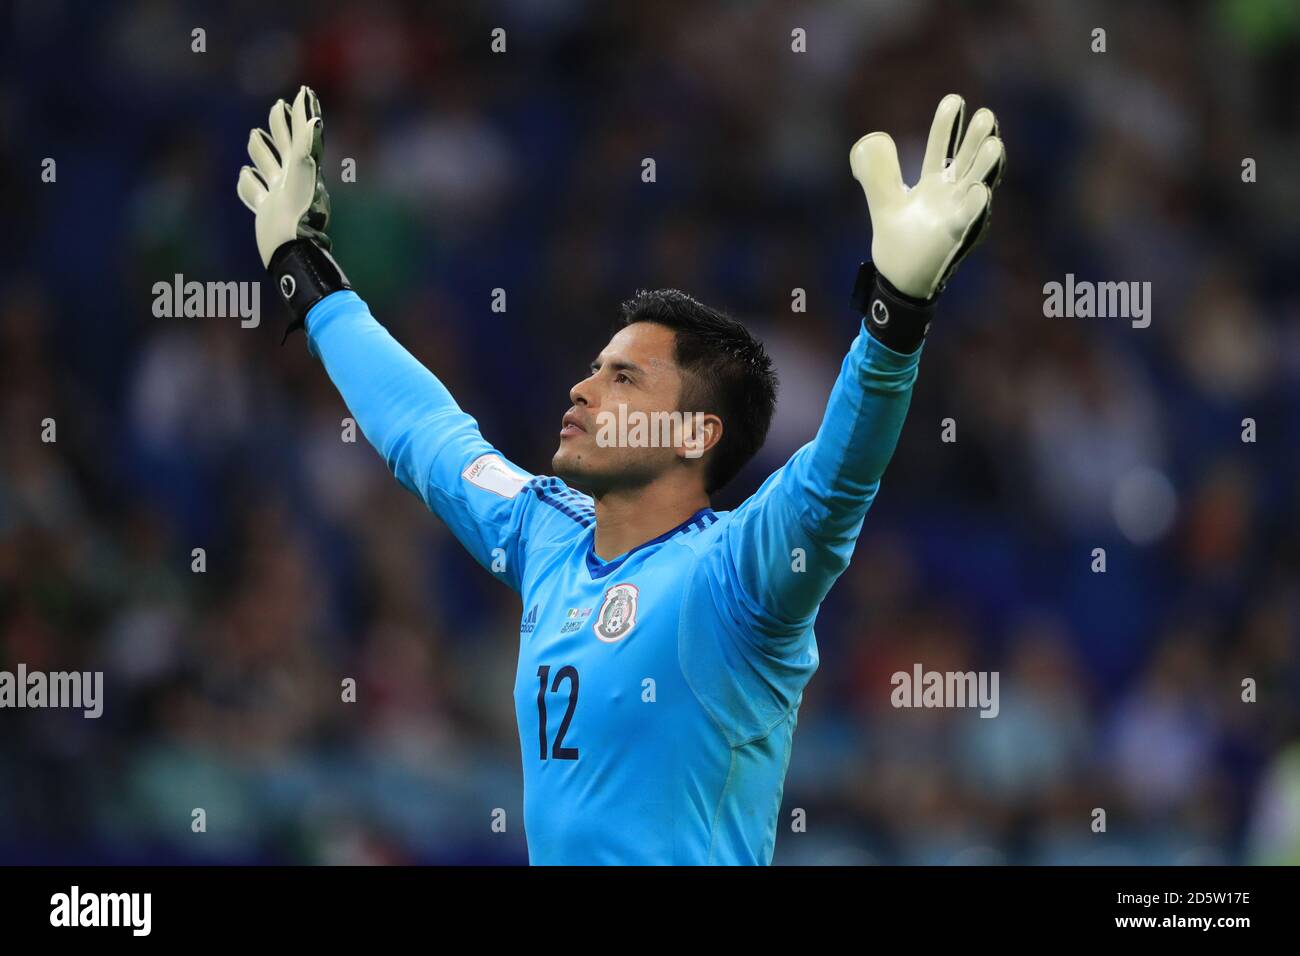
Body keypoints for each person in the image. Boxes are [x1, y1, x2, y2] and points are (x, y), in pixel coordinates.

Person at [236, 86, 1005, 864]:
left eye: (624, 379)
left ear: (694, 433)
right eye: (593, 369)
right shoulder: (546, 534)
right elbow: (425, 436)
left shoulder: (735, 578)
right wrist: (306, 273)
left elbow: (835, 485)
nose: (583, 389)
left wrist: (896, 316)